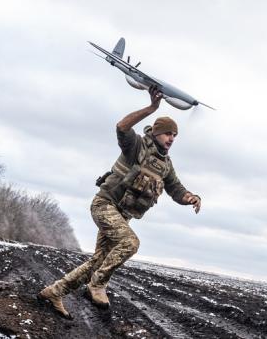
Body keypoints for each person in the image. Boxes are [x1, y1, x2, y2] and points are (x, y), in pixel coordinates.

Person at [38, 86, 202, 319]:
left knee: (98, 261)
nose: (171, 138)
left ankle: (54, 292)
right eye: (168, 134)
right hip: (104, 205)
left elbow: (176, 188)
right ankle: (97, 285)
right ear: (156, 133)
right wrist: (152, 107)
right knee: (130, 243)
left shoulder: (165, 164)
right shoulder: (135, 146)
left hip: (121, 215)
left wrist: (191, 198)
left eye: (174, 135)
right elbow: (121, 126)